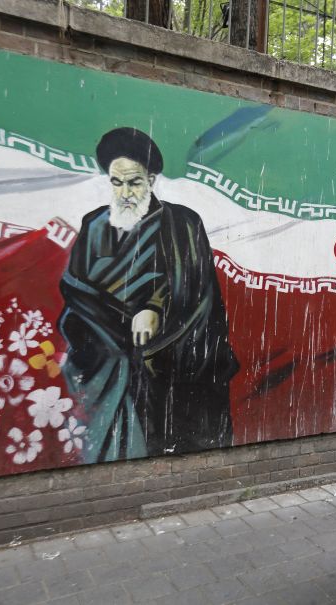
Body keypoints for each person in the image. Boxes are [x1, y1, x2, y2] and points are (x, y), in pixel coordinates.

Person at [59, 127, 238, 463]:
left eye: (134, 182)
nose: (125, 192)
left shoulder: (182, 224)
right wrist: (111, 326)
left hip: (168, 358)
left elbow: (196, 292)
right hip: (106, 358)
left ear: (152, 180)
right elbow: (76, 290)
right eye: (117, 182)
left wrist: (154, 307)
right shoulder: (94, 225)